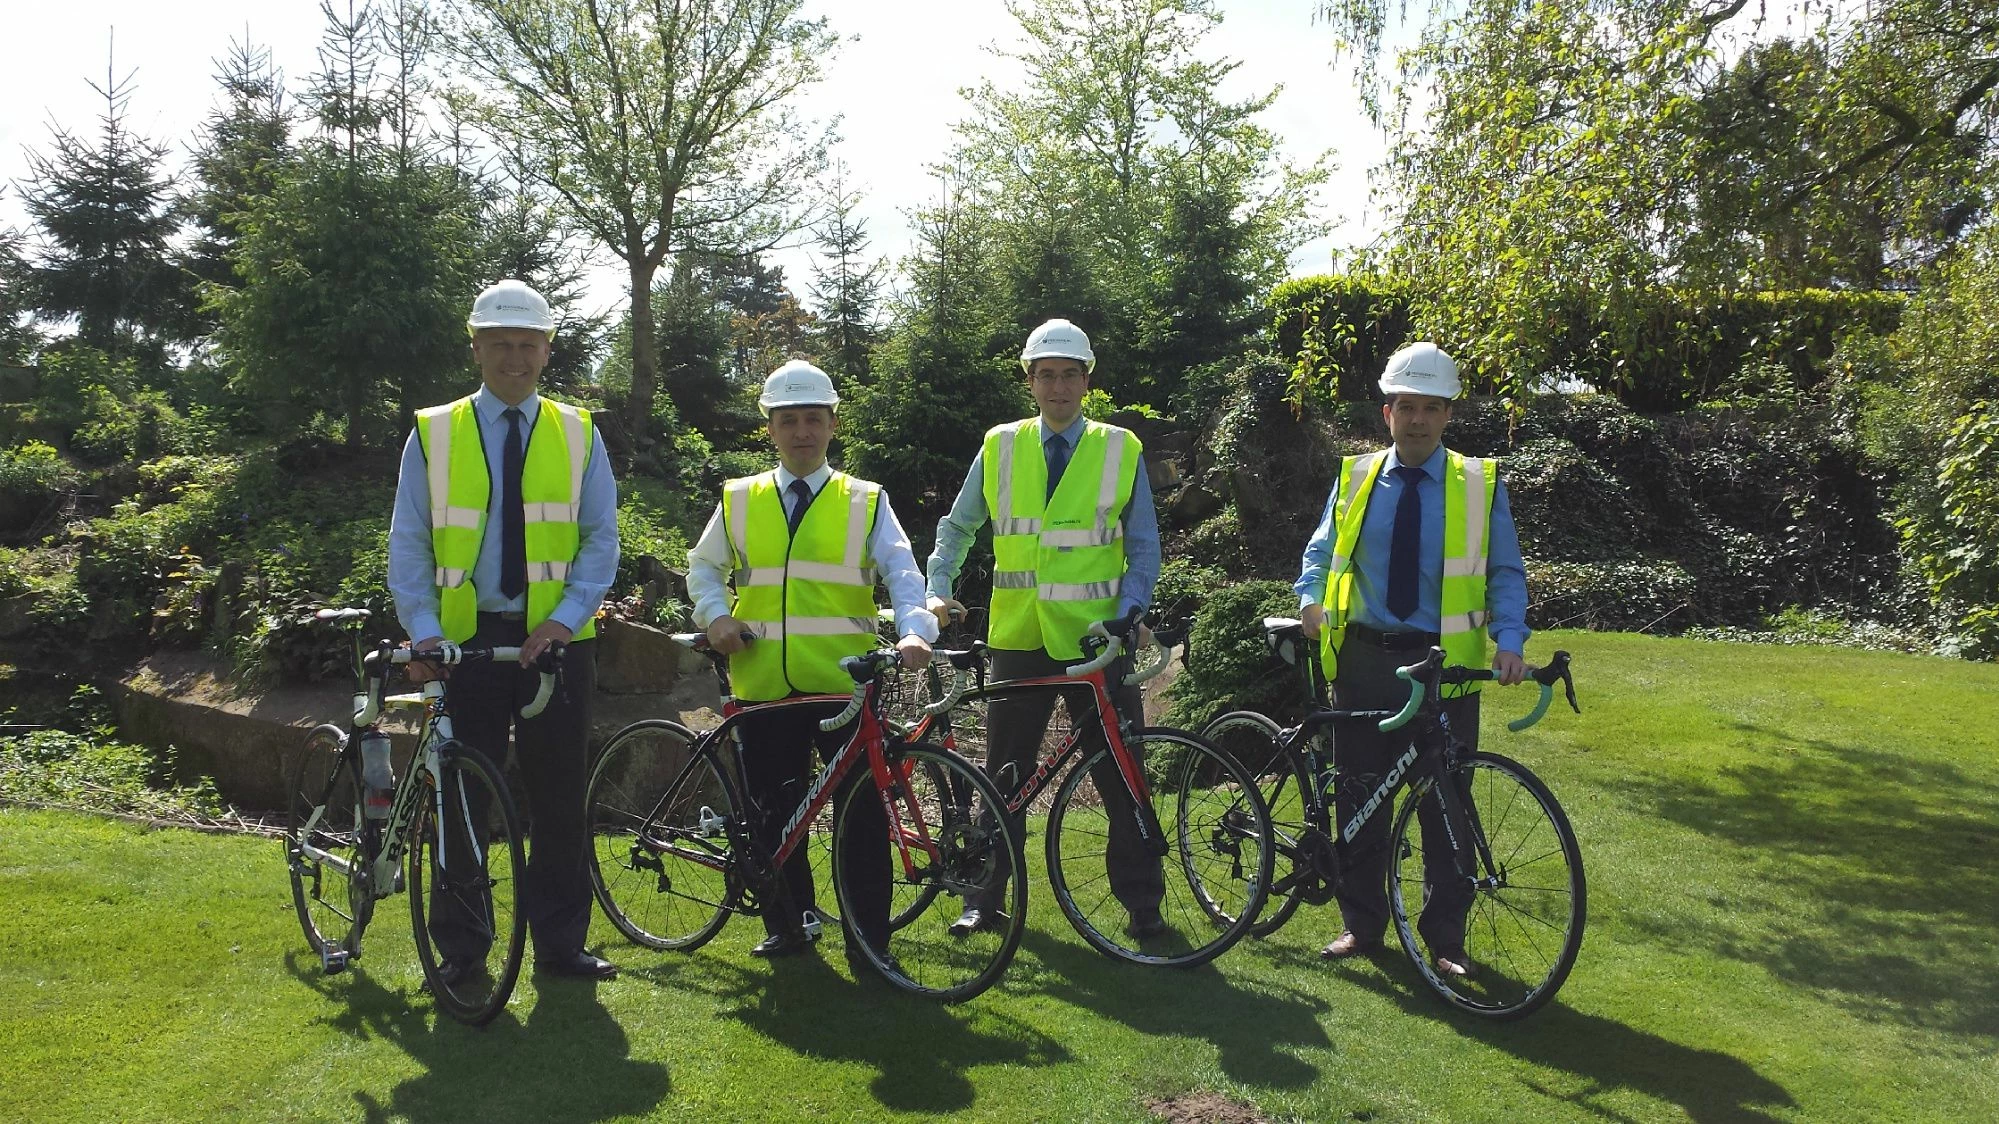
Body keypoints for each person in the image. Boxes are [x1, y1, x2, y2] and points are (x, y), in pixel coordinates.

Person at [388, 278, 621, 981]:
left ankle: (559, 945)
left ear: (547, 350)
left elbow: (599, 540)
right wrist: (424, 632)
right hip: (465, 644)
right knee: (462, 802)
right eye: (499, 345)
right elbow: (410, 543)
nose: (513, 358)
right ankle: (462, 953)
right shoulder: (434, 432)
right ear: (476, 348)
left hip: (557, 642)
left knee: (559, 800)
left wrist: (563, 620)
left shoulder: (579, 432)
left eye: (526, 344)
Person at [684, 359, 936, 972]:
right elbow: (703, 570)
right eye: (790, 420)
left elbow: (904, 575)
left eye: (814, 420)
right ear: (770, 428)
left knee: (862, 822)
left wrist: (914, 630)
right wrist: (715, 618)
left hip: (843, 686)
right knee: (774, 810)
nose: (802, 432)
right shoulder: (739, 499)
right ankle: (788, 925)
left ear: (832, 425)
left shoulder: (866, 500)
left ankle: (869, 943)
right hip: (763, 682)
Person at [1294, 341, 1529, 979]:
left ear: (1448, 414)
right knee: (1359, 796)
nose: (1418, 419)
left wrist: (1510, 640)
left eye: (1431, 408)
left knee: (1448, 805)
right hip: (1365, 661)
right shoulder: (1355, 476)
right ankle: (1362, 924)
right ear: (1386, 412)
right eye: (1407, 407)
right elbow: (1320, 552)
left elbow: (1505, 571)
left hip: (1443, 667)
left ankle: (1446, 939)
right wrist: (1310, 599)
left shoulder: (1480, 484)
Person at [926, 318, 1166, 939]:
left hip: (1097, 639)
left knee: (1120, 771)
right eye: (1046, 375)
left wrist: (1132, 609)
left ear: (1087, 381)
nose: (1058, 386)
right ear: (1030, 381)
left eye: (1069, 374)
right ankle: (985, 896)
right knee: (1003, 772)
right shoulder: (1000, 445)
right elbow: (957, 527)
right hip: (1020, 637)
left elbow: (1143, 547)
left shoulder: (1122, 448)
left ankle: (1143, 903)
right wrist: (937, 589)